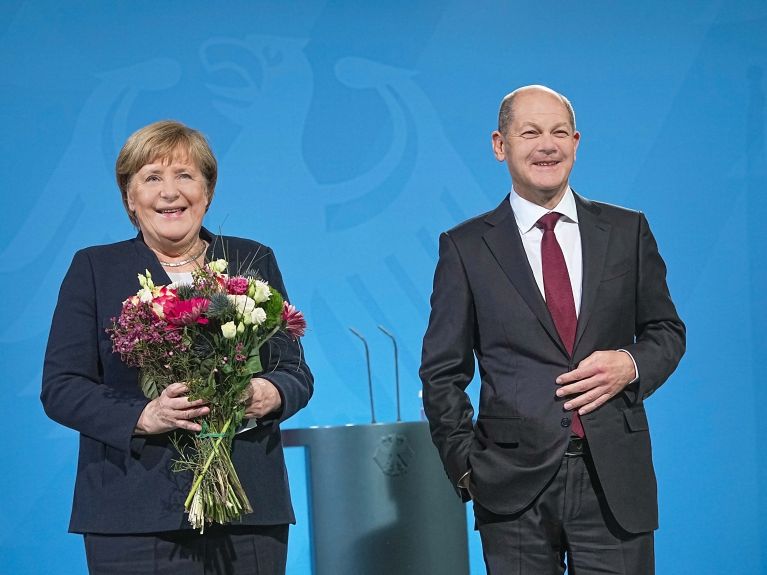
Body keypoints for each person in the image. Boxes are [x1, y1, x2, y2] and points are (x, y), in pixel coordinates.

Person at [420, 85, 685, 574]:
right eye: (531, 133)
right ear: (500, 146)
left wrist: (630, 364)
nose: (548, 145)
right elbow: (441, 372)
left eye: (559, 132)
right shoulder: (465, 247)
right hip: (511, 488)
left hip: (614, 483)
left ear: (577, 142)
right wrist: (467, 468)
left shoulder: (628, 230)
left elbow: (666, 330)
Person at [41, 120, 313, 574]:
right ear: (130, 197)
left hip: (248, 511)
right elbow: (62, 386)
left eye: (185, 176)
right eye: (151, 178)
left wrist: (268, 394)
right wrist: (143, 416)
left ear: (207, 191)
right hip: (134, 512)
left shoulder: (253, 259)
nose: (170, 192)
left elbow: (294, 370)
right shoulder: (94, 268)